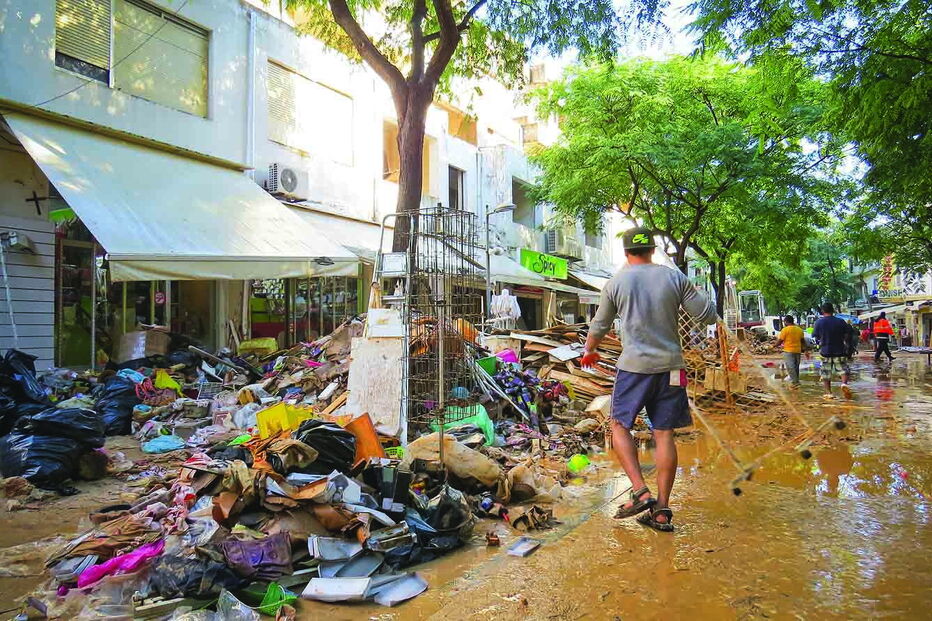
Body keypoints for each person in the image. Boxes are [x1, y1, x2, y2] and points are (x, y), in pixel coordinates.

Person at [581, 227, 717, 532]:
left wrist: (589, 350)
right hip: (671, 366)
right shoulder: (675, 278)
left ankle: (640, 491)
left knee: (618, 425)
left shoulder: (616, 282)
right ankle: (662, 511)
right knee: (664, 434)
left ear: (626, 253)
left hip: (634, 368)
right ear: (653, 250)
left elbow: (599, 325)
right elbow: (707, 315)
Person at [812, 302, 856, 399]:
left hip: (825, 350)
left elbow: (816, 336)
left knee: (826, 372)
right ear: (833, 310)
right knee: (843, 369)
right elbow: (848, 333)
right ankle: (844, 384)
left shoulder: (818, 322)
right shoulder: (840, 321)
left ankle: (828, 393)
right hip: (839, 349)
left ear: (823, 311)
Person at [776, 315, 806, 388]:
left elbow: (780, 341)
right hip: (797, 351)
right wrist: (805, 350)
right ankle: (796, 381)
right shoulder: (799, 330)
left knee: (790, 367)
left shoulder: (785, 330)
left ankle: (795, 382)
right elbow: (802, 341)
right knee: (796, 367)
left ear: (786, 322)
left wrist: (774, 346)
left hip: (788, 351)